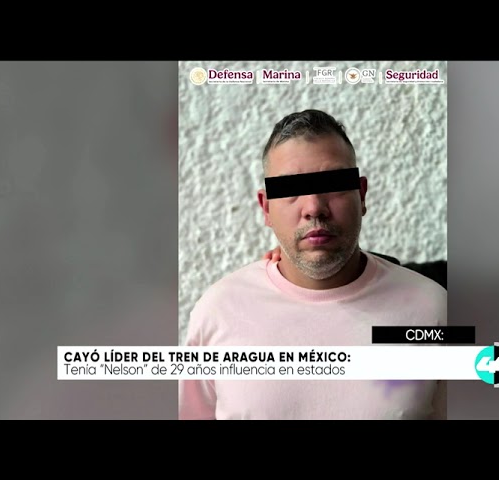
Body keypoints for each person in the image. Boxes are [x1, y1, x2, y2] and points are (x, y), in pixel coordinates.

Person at [179, 109, 447, 420]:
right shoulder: (218, 313)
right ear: (266, 208)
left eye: (333, 184)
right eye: (290, 189)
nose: (314, 208)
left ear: (361, 195)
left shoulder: (434, 309)